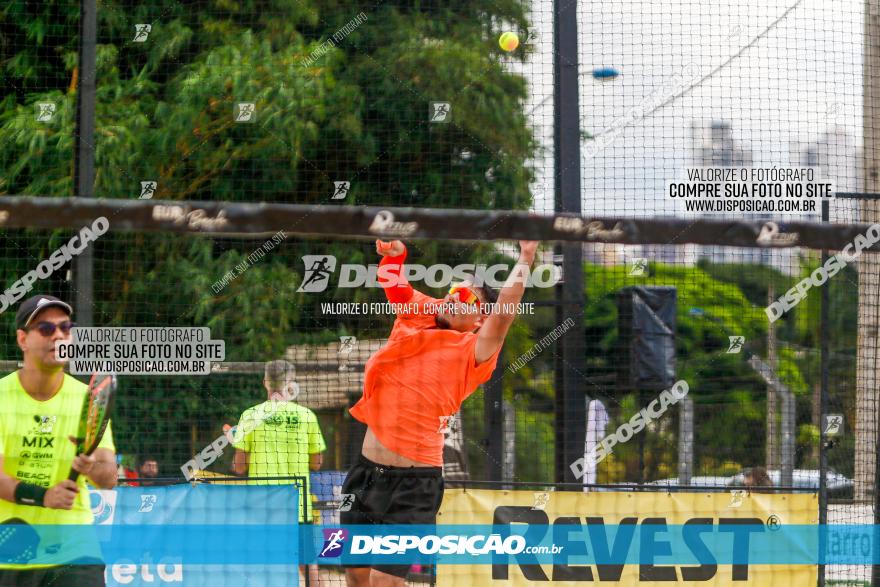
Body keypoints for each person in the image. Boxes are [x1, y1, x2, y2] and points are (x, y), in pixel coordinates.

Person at [342, 239, 538, 587]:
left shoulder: (475, 352)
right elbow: (396, 285)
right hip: (365, 474)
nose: (452, 297)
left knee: (384, 583)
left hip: (414, 486)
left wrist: (526, 256)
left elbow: (505, 312)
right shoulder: (420, 312)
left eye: (465, 297)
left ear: (480, 318)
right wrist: (395, 257)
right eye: (453, 290)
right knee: (355, 577)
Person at [0, 295, 117, 586]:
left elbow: (109, 477)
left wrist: (90, 467)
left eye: (66, 327)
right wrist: (45, 496)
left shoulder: (87, 399)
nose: (60, 336)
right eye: (47, 329)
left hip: (75, 551)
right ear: (23, 339)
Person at [231, 359, 326, 585]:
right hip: (298, 502)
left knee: (260, 564)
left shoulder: (250, 415)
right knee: (308, 563)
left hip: (262, 504)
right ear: (290, 383)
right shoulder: (306, 416)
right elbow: (317, 463)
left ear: (265, 382)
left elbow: (239, 467)